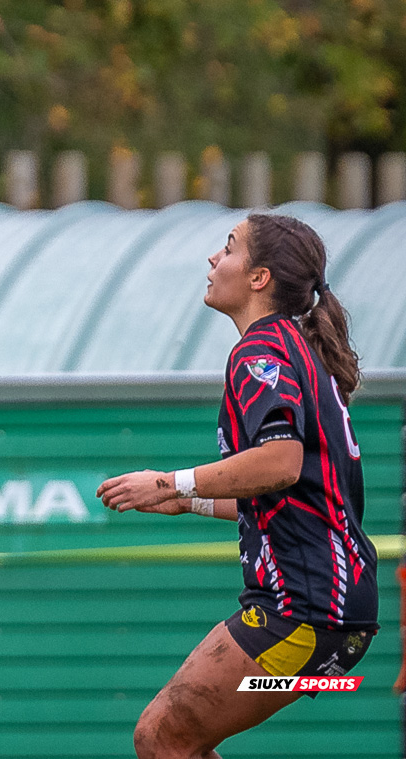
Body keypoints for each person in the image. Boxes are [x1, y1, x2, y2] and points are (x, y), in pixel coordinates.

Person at [99, 213, 377, 759]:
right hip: (334, 625)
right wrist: (187, 499)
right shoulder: (295, 347)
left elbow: (280, 462)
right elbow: (290, 492)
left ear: (259, 278)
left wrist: (168, 480)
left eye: (227, 248)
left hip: (303, 615)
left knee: (161, 737)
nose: (211, 259)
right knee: (183, 740)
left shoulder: (259, 353)